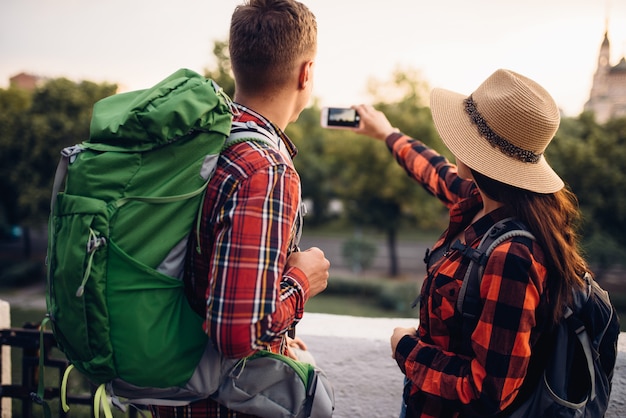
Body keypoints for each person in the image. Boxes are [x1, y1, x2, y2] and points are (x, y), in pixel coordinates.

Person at [353, 69, 590, 417]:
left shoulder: (513, 257)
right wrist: (388, 134)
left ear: (478, 155)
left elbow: (488, 392)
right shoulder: (484, 200)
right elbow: (435, 171)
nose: (452, 144)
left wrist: (405, 347)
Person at [155, 0, 329, 417]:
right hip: (219, 402)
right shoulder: (264, 170)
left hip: (172, 386)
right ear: (306, 73)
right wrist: (302, 280)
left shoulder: (201, 142)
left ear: (236, 64)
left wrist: (278, 339)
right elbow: (237, 332)